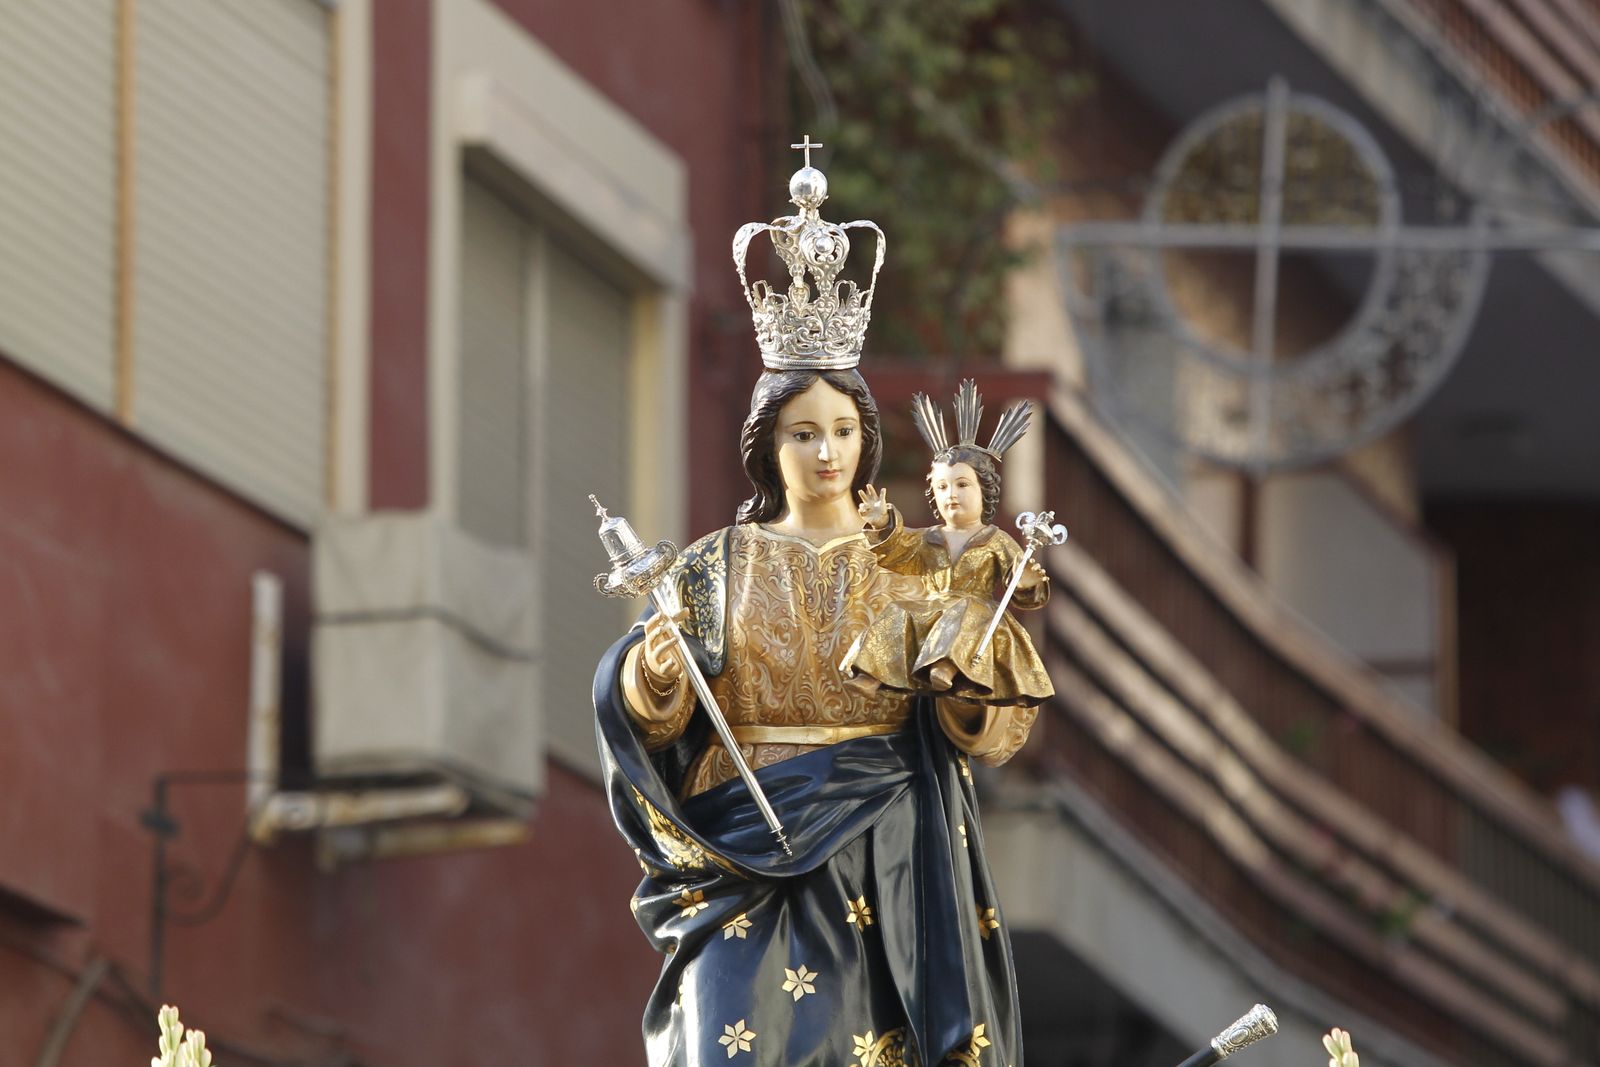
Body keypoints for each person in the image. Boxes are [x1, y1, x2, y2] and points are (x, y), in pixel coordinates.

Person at [841, 383, 1053, 707]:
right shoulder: (930, 537)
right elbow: (897, 551)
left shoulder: (997, 541)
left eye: (962, 484)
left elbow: (1020, 585)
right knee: (899, 610)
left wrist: (1027, 581)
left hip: (975, 614)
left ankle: (946, 665)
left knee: (964, 609)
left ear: (985, 491)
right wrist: (882, 522)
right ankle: (870, 674)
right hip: (930, 609)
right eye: (942, 487)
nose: (951, 494)